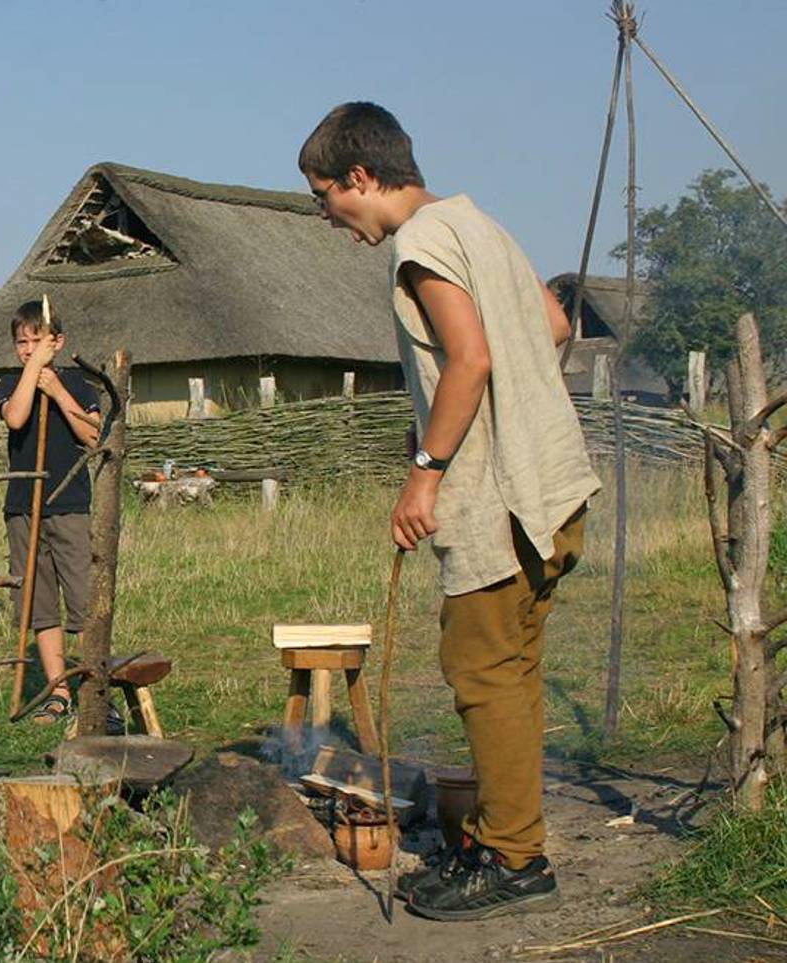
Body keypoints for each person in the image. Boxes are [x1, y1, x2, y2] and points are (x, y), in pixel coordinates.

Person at [298, 102, 599, 921]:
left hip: (498, 502)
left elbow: (469, 357)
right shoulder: (478, 223)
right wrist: (483, 405)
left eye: (327, 196)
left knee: (483, 674)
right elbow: (552, 321)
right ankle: (511, 835)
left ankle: (513, 861)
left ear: (360, 177)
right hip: (553, 485)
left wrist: (427, 471)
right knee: (514, 674)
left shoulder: (419, 242)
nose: (330, 217)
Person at [0, 301, 99, 724]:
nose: (29, 349)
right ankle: (59, 691)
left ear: (58, 342)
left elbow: (93, 436)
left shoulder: (80, 383)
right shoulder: (7, 383)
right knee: (40, 604)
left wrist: (56, 390)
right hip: (24, 506)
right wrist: (30, 374)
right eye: (22, 342)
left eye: (37, 341)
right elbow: (16, 418)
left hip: (68, 501)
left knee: (83, 601)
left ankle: (95, 689)